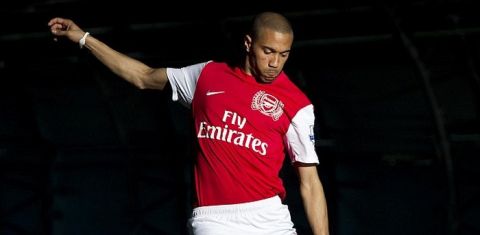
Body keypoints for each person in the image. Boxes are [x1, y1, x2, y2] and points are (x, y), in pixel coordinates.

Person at [48, 11, 329, 235]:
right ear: (248, 43)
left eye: (284, 54)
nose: (275, 63)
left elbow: (310, 182)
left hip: (270, 218)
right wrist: (84, 38)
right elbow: (143, 76)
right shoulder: (206, 76)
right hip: (214, 221)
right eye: (268, 51)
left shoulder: (297, 104)